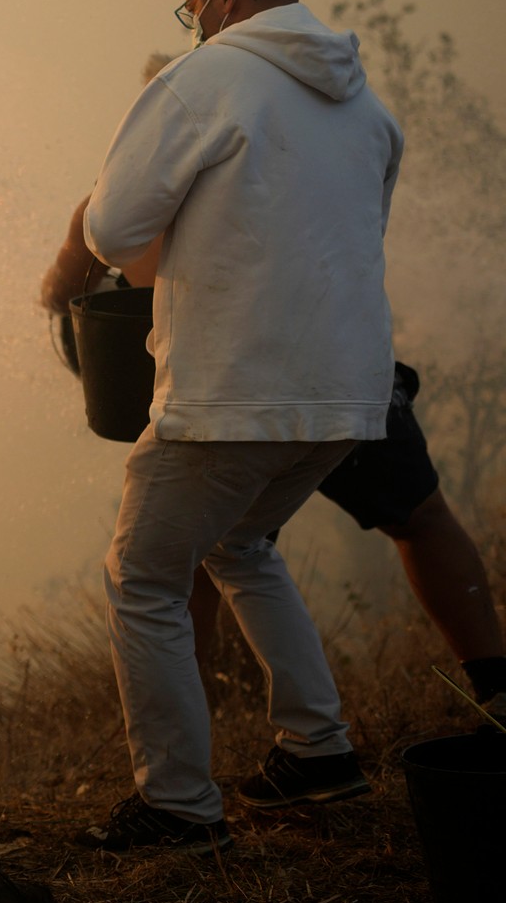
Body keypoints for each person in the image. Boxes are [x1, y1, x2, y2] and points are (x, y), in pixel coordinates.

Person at [59, 0, 405, 853]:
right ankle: (319, 752)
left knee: (143, 575)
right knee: (243, 542)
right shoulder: (367, 106)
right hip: (348, 396)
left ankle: (176, 802)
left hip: (231, 391)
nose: (194, 24)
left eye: (193, 6)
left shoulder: (203, 79)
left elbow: (116, 226)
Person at [45, 67, 506, 750]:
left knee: (188, 553)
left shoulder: (119, 200)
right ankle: (492, 689)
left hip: (233, 395)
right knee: (407, 518)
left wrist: (104, 337)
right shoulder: (284, 162)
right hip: (340, 377)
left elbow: (64, 298)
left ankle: (194, 736)